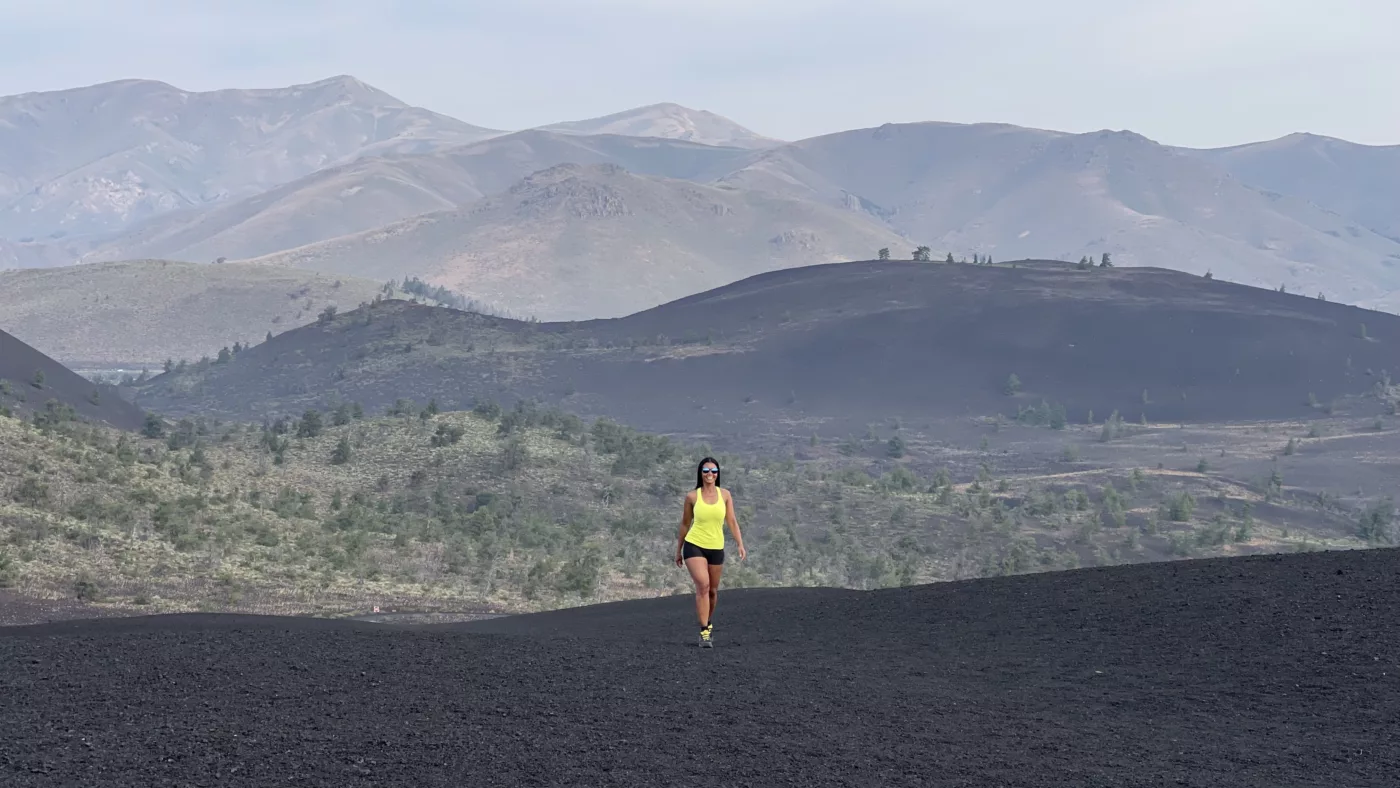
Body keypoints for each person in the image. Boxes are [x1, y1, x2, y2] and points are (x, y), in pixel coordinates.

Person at [675, 456, 746, 647]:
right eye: (706, 471)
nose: (709, 474)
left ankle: (707, 622)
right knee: (703, 586)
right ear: (700, 473)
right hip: (694, 544)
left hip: (716, 547)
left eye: (713, 471)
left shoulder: (725, 495)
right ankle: (704, 631)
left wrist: (739, 543)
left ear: (718, 474)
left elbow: (731, 521)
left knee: (713, 592)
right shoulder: (692, 496)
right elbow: (685, 523)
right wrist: (678, 549)